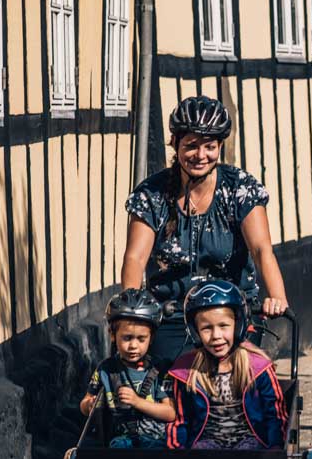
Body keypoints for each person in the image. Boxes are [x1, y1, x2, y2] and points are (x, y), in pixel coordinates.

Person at [120, 96, 290, 365]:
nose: (201, 156)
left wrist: (277, 297)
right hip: (172, 313)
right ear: (175, 143)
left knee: (238, 378)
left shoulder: (239, 189)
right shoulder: (152, 194)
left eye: (210, 147)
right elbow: (135, 258)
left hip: (230, 311)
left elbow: (261, 249)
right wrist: (131, 314)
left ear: (220, 146)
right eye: (191, 146)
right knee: (167, 382)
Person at [165, 280, 286, 451]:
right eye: (206, 328)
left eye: (223, 326)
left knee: (247, 454)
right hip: (207, 443)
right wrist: (177, 453)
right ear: (196, 332)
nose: (216, 335)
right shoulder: (187, 372)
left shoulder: (258, 367)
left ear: (237, 326)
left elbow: (274, 414)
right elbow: (180, 418)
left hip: (250, 441)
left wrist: (275, 450)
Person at [79, 289, 175, 449]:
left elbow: (170, 412)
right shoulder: (106, 369)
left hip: (155, 442)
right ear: (112, 335)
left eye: (141, 339)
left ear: (151, 338)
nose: (133, 346)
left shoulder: (159, 370)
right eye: (127, 338)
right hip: (117, 443)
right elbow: (85, 402)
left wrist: (137, 402)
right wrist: (90, 405)